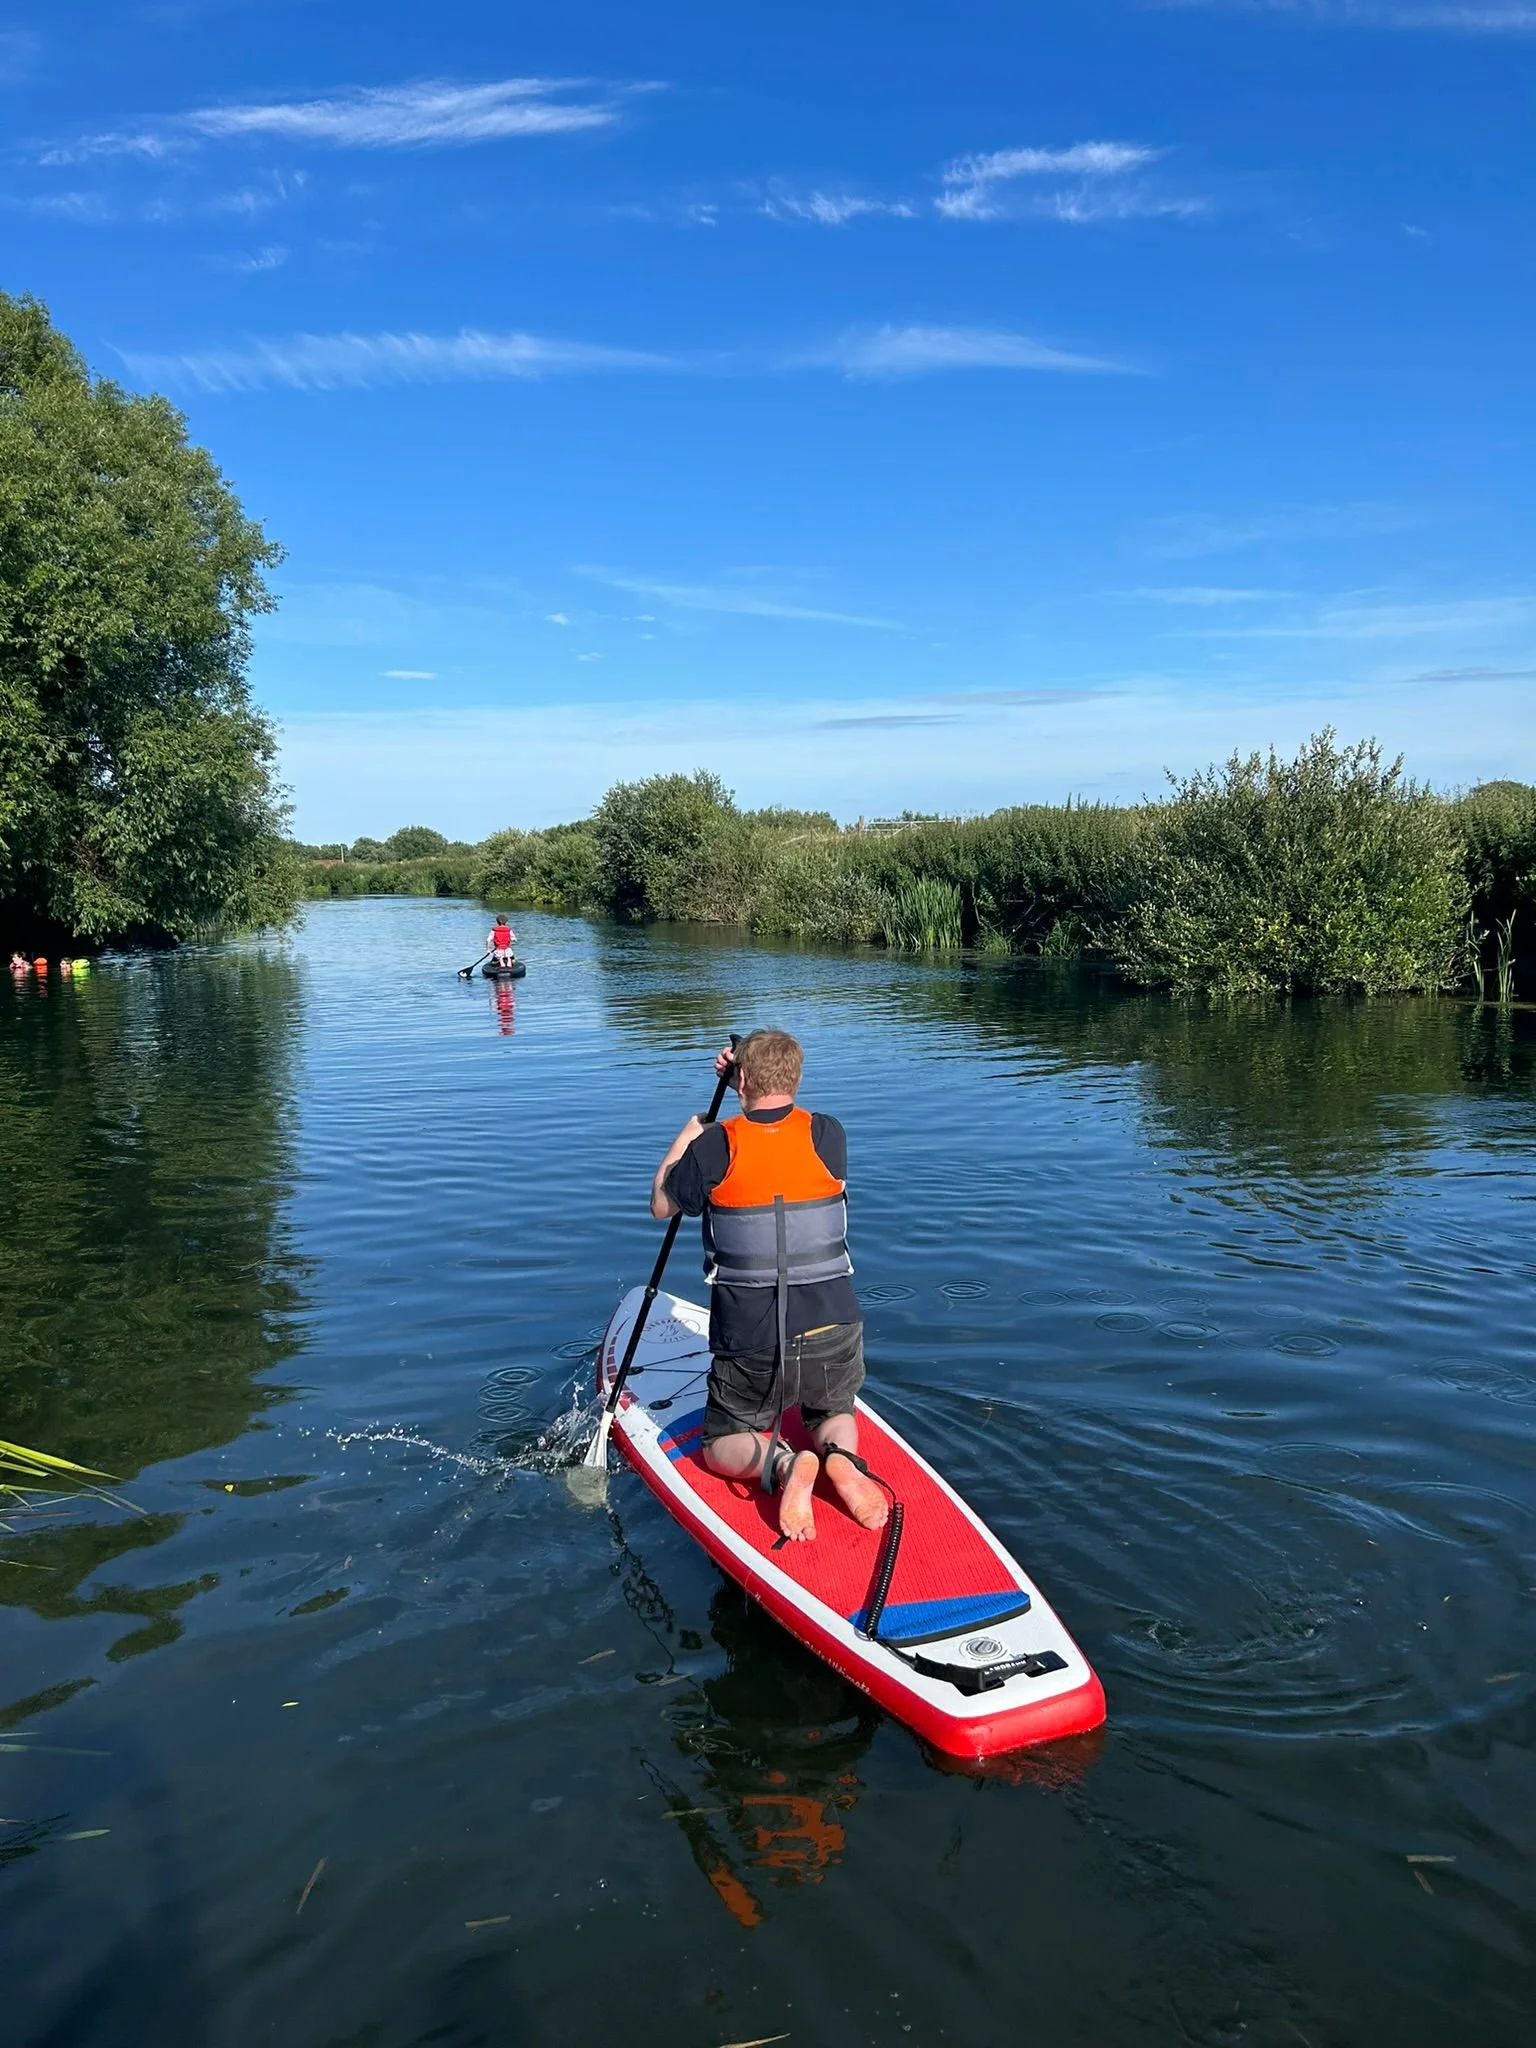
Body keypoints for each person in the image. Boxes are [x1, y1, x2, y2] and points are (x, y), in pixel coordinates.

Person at [651, 1027, 888, 1545]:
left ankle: (785, 1466)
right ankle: (841, 1461)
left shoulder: (715, 1144)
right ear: (796, 1077)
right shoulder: (829, 1132)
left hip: (752, 1337)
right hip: (834, 1323)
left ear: (741, 1083)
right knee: (833, 1409)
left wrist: (692, 1132)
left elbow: (662, 1205)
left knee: (721, 1441)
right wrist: (745, 1075)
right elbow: (780, 1137)